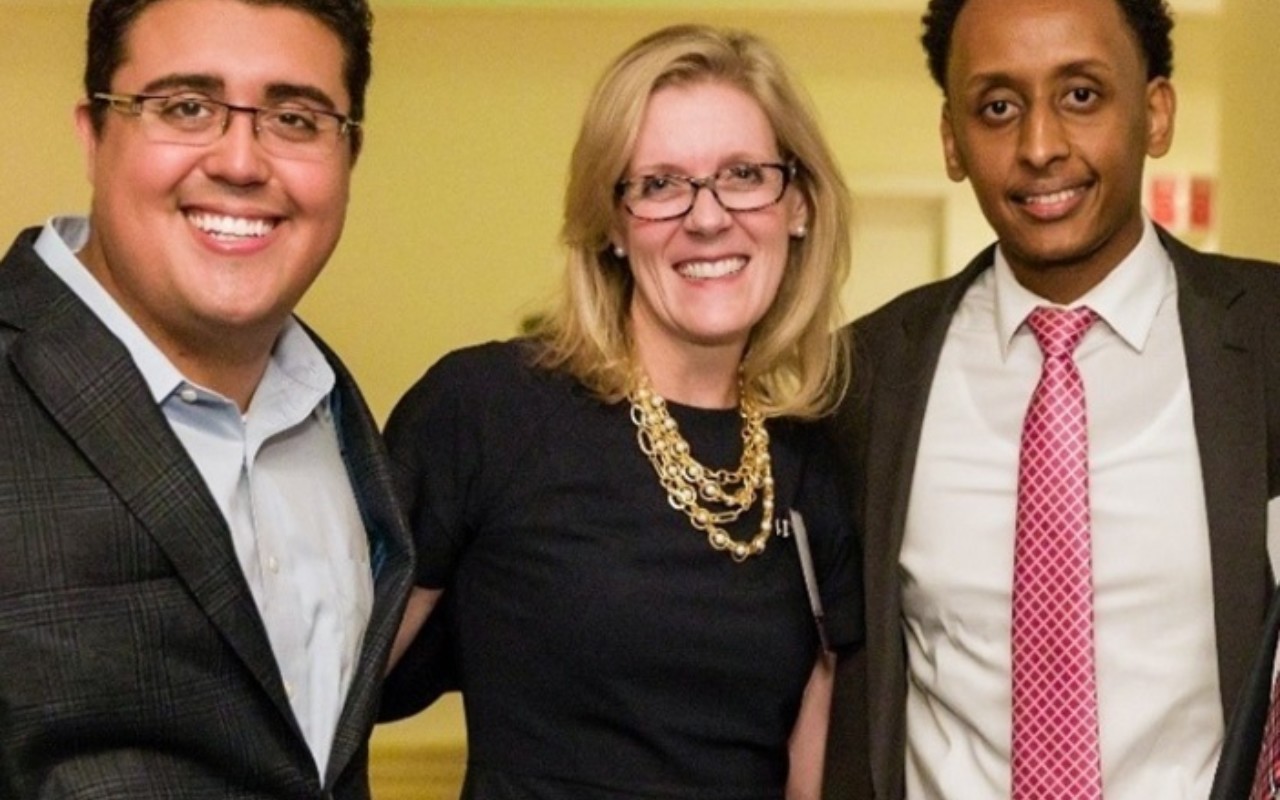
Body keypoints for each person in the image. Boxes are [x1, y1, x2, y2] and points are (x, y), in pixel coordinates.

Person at [381, 23, 861, 799]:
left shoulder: (815, 458)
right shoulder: (486, 411)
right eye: (662, 183)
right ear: (610, 221)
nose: (708, 218)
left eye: (743, 174)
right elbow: (318, 701)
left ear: (797, 204)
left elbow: (807, 769)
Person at [821, 0, 1280, 798]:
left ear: (1156, 113)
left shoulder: (1269, 344)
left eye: (1081, 96)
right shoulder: (861, 381)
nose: (1039, 148)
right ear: (951, 140)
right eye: (998, 107)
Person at [0, 0, 413, 797]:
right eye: (187, 107)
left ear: (349, 153)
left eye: (295, 117)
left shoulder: (329, 410)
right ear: (94, 132)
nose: (239, 161)